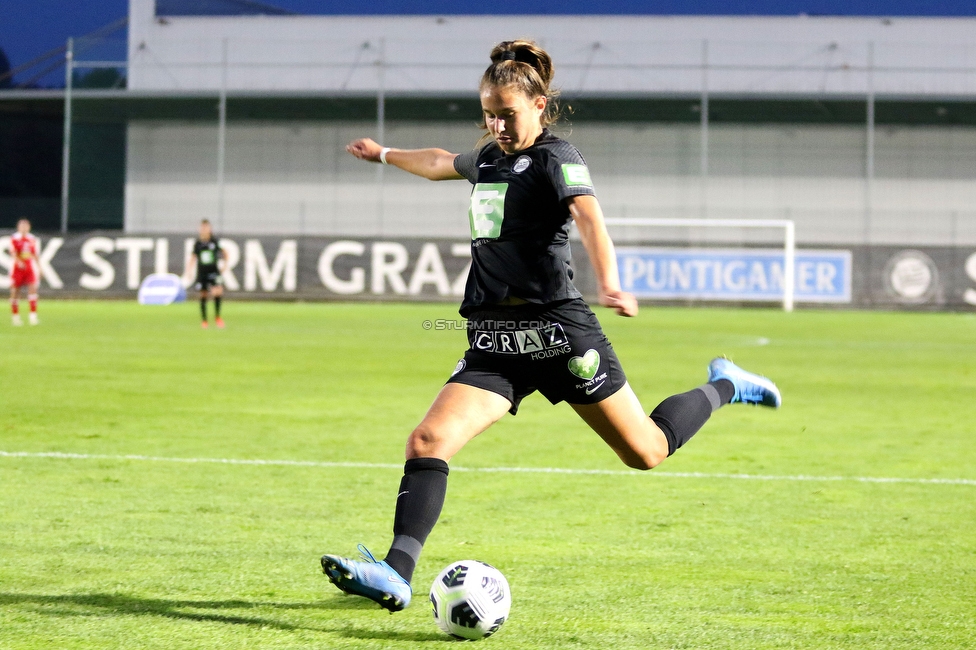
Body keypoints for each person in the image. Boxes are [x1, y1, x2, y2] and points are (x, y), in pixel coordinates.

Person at [321, 40, 782, 612]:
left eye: (507, 113)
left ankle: (726, 383)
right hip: (496, 339)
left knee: (646, 451)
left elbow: (589, 215)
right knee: (428, 440)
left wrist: (611, 280)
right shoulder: (489, 157)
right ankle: (396, 571)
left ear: (539, 105)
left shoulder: (556, 156)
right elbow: (442, 162)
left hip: (559, 335)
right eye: (489, 112)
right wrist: (386, 153)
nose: (497, 123)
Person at [185, 219, 226, 329]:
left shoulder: (214, 241)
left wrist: (225, 266)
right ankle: (204, 321)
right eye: (202, 228)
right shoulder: (198, 244)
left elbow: (225, 252)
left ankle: (217, 317)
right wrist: (189, 271)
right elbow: (193, 258)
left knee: (217, 292)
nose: (204, 230)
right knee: (203, 295)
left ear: (210, 229)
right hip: (202, 272)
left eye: (206, 227)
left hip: (214, 271)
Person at [9, 218, 39, 326]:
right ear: (18, 227)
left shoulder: (32, 239)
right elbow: (12, 252)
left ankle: (33, 317)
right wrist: (18, 261)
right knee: (15, 292)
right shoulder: (14, 238)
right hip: (17, 268)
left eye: (26, 226)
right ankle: (15, 317)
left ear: (29, 227)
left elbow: (34, 254)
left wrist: (39, 267)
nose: (24, 228)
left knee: (32, 289)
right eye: (22, 226)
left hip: (29, 267)